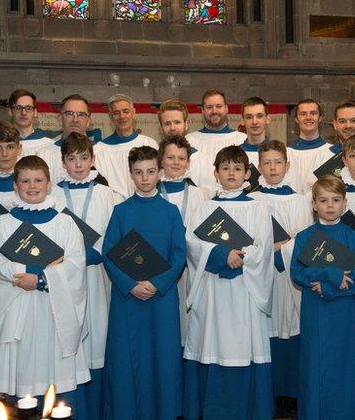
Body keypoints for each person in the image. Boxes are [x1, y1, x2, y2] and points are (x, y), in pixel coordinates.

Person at [0, 156, 91, 411]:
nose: (32, 186)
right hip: (16, 309)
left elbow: (75, 265)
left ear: (49, 184)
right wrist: (31, 273)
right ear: (15, 186)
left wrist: (41, 280)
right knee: (19, 377)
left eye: (38, 180)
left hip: (53, 311)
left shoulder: (64, 223)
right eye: (25, 181)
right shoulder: (3, 223)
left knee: (53, 373)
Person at [183, 145, 274, 420]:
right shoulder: (204, 207)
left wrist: (241, 259)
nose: (231, 173)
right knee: (212, 341)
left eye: (237, 168)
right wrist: (222, 255)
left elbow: (264, 246)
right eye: (225, 168)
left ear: (247, 173)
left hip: (245, 289)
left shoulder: (258, 207)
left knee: (245, 344)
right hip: (213, 290)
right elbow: (192, 243)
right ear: (215, 173)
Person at [102, 146, 187, 420]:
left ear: (159, 172)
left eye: (150, 171)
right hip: (128, 299)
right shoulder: (120, 212)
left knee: (161, 359)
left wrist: (157, 283)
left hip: (161, 299)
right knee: (128, 361)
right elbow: (109, 255)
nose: (145, 178)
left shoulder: (171, 211)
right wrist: (130, 285)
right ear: (131, 175)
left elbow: (179, 254)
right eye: (138, 172)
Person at [290, 175, 355, 420]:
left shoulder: (352, 235)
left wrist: (330, 288)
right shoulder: (305, 237)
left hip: (345, 312)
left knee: (346, 366)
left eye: (335, 200)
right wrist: (331, 273)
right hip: (315, 313)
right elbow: (298, 273)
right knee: (317, 366)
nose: (330, 206)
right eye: (324, 200)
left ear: (344, 203)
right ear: (314, 205)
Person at [53, 132, 121, 419]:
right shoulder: (51, 195)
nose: (78, 164)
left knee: (99, 337)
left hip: (98, 277)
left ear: (93, 160)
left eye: (83, 158)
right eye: (71, 158)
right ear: (63, 161)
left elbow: (116, 239)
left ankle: (98, 409)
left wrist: (92, 254)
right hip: (63, 279)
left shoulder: (110, 195)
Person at [248, 140, 314, 414]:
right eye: (267, 163)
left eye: (277, 162)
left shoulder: (300, 200)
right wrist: (267, 252)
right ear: (259, 166)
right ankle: (269, 393)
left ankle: (293, 392)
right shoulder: (250, 200)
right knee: (265, 331)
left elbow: (306, 239)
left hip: (290, 279)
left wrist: (279, 252)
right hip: (260, 277)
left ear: (287, 166)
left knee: (292, 328)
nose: (272, 168)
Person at [157, 134, 210, 342]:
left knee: (192, 329)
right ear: (161, 160)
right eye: (171, 158)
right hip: (162, 269)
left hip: (193, 270)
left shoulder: (202, 195)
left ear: (188, 162)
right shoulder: (153, 193)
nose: (176, 163)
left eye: (181, 158)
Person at [92, 94, 159, 197]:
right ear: (110, 117)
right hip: (113, 208)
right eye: (116, 113)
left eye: (126, 111)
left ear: (133, 112)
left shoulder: (149, 143)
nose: (122, 116)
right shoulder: (98, 150)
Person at [185, 89, 246, 190]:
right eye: (209, 107)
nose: (214, 111)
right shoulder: (189, 141)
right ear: (202, 111)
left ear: (226, 109)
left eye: (219, 106)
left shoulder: (242, 139)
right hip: (199, 201)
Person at [158, 98, 209, 193]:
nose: (172, 128)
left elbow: (208, 198)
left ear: (186, 124)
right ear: (161, 128)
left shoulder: (200, 159)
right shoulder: (154, 160)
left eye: (177, 122)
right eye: (167, 124)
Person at [287, 99, 331, 194]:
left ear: (320, 118)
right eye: (303, 114)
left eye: (313, 113)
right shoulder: (286, 154)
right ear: (296, 119)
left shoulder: (331, 153)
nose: (308, 117)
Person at [7, 89, 57, 167]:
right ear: (10, 111)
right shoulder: (1, 145)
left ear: (35, 112)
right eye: (18, 108)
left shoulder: (48, 144)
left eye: (28, 108)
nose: (23, 113)